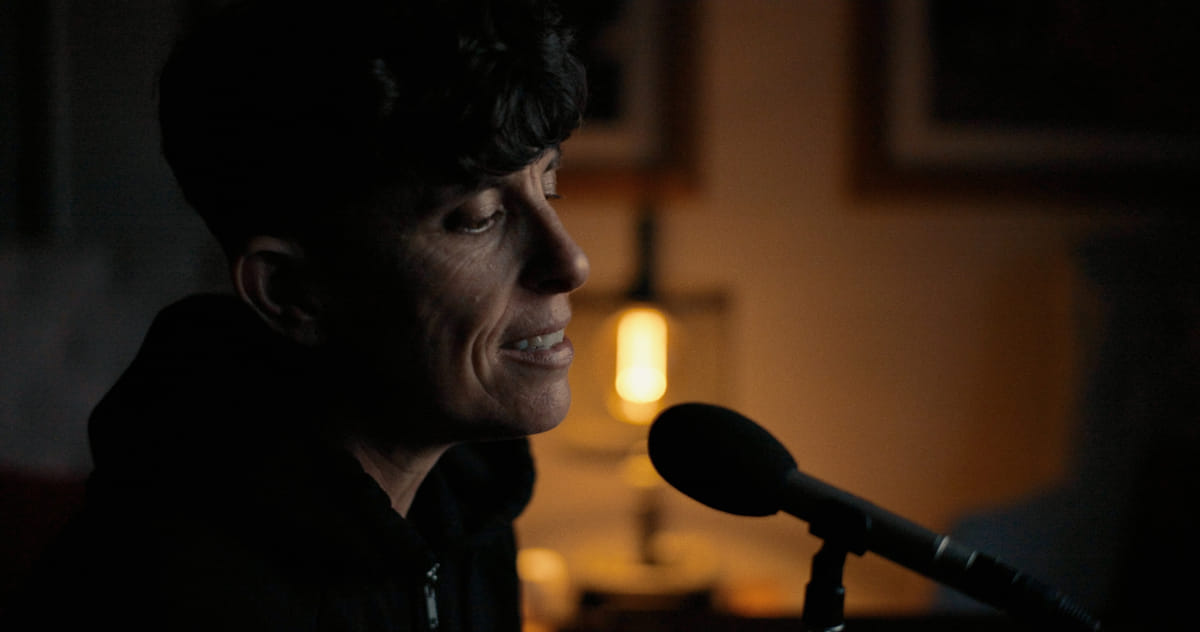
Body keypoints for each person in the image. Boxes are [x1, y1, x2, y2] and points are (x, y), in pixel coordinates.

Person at [2, 0, 589, 630]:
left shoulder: (470, 514)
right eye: (478, 218)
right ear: (290, 292)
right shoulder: (163, 593)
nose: (571, 262)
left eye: (548, 186)